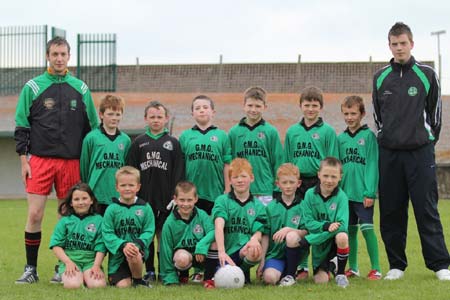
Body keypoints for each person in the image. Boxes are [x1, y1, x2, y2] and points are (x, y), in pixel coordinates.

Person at [14, 36, 99, 284]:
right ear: (47, 56)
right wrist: (23, 159)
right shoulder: (32, 87)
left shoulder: (81, 88)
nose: (59, 58)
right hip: (39, 160)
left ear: (69, 57)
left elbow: (92, 128)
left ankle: (62, 267)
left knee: (67, 217)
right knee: (35, 214)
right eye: (55, 54)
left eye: (63, 54)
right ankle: (31, 269)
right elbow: (22, 125)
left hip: (71, 162)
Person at [373, 22, 450, 281]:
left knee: (426, 208)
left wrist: (426, 140)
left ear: (412, 44)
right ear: (389, 46)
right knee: (392, 211)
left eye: (403, 43)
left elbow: (436, 115)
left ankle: (440, 265)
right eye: (394, 44)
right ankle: (396, 265)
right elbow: (378, 117)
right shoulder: (380, 77)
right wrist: (389, 138)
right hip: (390, 155)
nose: (399, 48)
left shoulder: (427, 74)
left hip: (420, 153)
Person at [284, 86, 339, 279]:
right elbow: (288, 160)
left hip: (320, 182)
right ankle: (301, 267)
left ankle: (324, 263)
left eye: (314, 105)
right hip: (298, 182)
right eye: (307, 105)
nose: (310, 109)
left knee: (319, 223)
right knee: (300, 223)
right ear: (300, 106)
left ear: (321, 107)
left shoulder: (328, 132)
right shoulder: (292, 131)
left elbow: (333, 161)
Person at [127, 100, 184, 282]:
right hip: (145, 200)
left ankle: (165, 270)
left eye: (159, 117)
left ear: (166, 118)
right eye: (152, 117)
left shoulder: (173, 143)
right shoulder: (139, 143)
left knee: (163, 236)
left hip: (166, 199)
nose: (156, 120)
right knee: (148, 235)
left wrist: (176, 196)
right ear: (145, 119)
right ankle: (150, 270)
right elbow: (130, 170)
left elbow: (179, 171)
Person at [205, 158, 267, 289]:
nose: (240, 180)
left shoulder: (258, 206)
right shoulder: (222, 200)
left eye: (243, 176)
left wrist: (254, 239)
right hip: (224, 251)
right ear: (230, 180)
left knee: (255, 249)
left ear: (252, 178)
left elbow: (259, 230)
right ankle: (210, 276)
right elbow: (219, 225)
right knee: (214, 240)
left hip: (242, 250)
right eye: (235, 177)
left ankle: (243, 273)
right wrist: (222, 252)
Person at [337, 95, 381, 280]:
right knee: (350, 231)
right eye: (346, 113)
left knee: (367, 229)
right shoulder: (340, 138)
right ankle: (353, 267)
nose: (349, 117)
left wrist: (370, 191)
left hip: (363, 194)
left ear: (362, 114)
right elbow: (337, 167)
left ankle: (376, 268)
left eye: (353, 113)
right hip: (345, 195)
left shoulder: (369, 137)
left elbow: (372, 164)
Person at [297, 157, 350, 288]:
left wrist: (312, 239)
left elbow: (342, 225)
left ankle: (341, 274)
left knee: (342, 235)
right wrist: (326, 226)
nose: (329, 180)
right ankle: (332, 264)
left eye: (333, 176)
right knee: (320, 281)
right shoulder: (309, 194)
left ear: (340, 177)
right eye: (325, 176)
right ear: (318, 174)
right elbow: (308, 223)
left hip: (330, 240)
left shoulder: (342, 197)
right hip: (320, 247)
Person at [228, 87, 284, 206]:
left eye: (258, 106)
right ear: (244, 105)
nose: (253, 110)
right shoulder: (234, 132)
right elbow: (230, 163)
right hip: (240, 190)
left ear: (265, 107)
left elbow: (278, 162)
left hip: (265, 191)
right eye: (250, 105)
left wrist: (278, 189)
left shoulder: (271, 132)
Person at [102, 166, 155, 287]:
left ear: (138, 187)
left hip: (137, 251)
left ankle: (138, 281)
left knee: (134, 253)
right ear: (117, 187)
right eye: (123, 185)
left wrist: (136, 244)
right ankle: (127, 276)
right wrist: (123, 245)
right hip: (118, 256)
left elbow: (149, 231)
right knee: (123, 286)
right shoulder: (111, 209)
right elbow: (107, 233)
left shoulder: (145, 208)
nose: (127, 188)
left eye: (131, 185)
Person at [257, 163, 308, 286]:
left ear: (299, 183)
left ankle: (290, 274)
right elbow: (265, 235)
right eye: (284, 183)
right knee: (269, 278)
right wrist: (262, 261)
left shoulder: (304, 206)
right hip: (275, 255)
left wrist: (288, 229)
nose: (288, 186)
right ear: (277, 184)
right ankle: (284, 273)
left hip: (297, 254)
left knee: (291, 235)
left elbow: (307, 231)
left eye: (292, 182)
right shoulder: (270, 207)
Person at [179, 95, 232, 215]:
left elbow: (227, 164)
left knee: (214, 227)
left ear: (213, 112)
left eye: (205, 107)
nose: (201, 110)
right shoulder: (185, 136)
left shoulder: (222, 136)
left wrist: (228, 189)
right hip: (191, 194)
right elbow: (181, 166)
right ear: (192, 113)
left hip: (215, 192)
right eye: (197, 108)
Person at [80, 94, 131, 215]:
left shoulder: (125, 140)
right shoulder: (91, 138)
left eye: (118, 114)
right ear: (101, 115)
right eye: (110, 114)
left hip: (117, 195)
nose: (114, 118)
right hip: (96, 195)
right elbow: (84, 167)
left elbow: (126, 169)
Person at [49, 183, 107, 289]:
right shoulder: (65, 221)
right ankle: (76, 276)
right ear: (71, 203)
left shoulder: (99, 220)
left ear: (91, 200)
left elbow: (101, 246)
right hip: (71, 260)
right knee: (73, 285)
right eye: (76, 199)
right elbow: (56, 245)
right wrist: (68, 262)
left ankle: (86, 276)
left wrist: (96, 266)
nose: (81, 202)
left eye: (84, 198)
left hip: (90, 262)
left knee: (98, 286)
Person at [159, 181, 215, 285]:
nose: (185, 204)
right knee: (182, 258)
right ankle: (182, 274)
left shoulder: (202, 215)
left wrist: (202, 245)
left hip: (202, 254)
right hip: (185, 256)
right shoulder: (169, 223)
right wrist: (169, 277)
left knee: (214, 242)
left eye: (189, 200)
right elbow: (165, 251)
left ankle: (209, 277)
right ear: (175, 199)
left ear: (196, 199)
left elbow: (213, 231)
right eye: (182, 200)